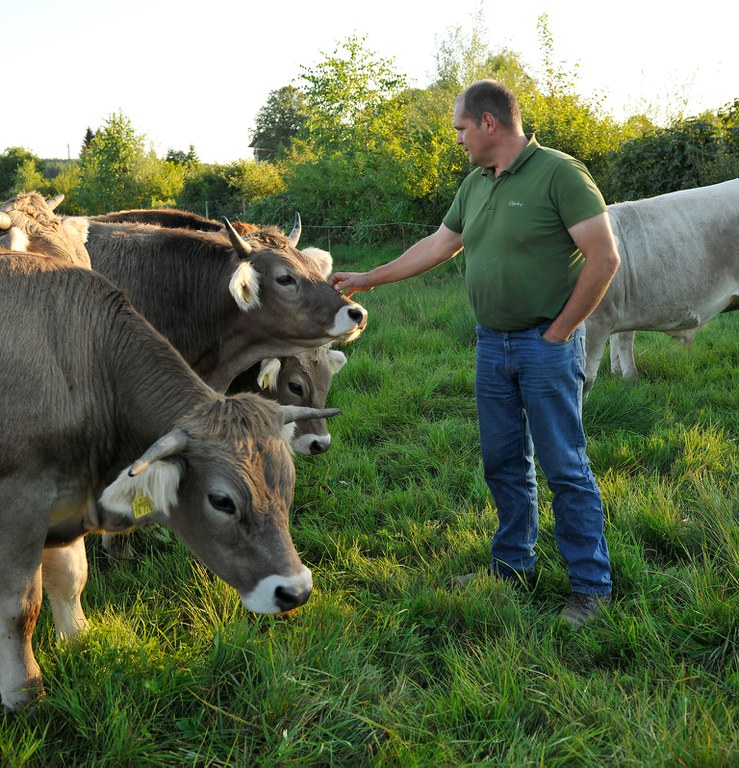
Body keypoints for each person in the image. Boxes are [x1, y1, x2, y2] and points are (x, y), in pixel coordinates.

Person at [331, 79, 621, 628]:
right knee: (503, 464)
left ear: (489, 124)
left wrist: (559, 334)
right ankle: (512, 566)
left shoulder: (561, 174)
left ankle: (590, 587)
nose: (458, 139)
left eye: (461, 128)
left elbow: (604, 259)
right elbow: (439, 245)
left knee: (565, 467)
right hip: (491, 345)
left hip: (545, 346)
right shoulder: (475, 183)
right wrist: (369, 277)